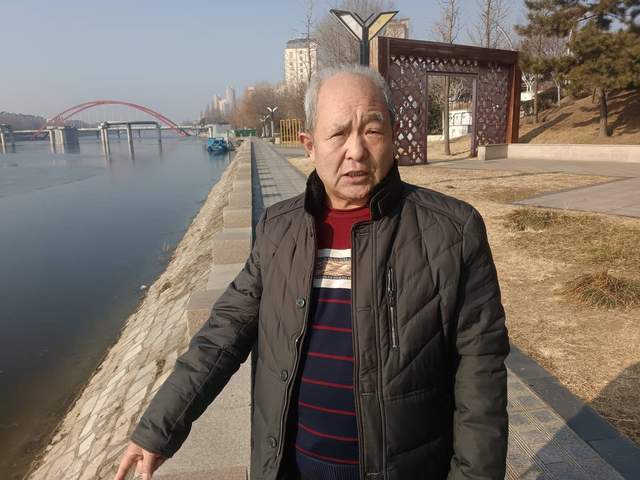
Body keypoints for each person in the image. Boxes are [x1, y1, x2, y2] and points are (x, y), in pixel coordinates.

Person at [115, 64, 509, 480]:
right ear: (309, 145)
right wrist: (159, 427)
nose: (356, 150)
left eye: (372, 130)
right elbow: (223, 333)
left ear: (393, 136)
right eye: (338, 134)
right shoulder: (278, 229)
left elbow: (480, 373)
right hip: (291, 466)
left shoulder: (452, 231)